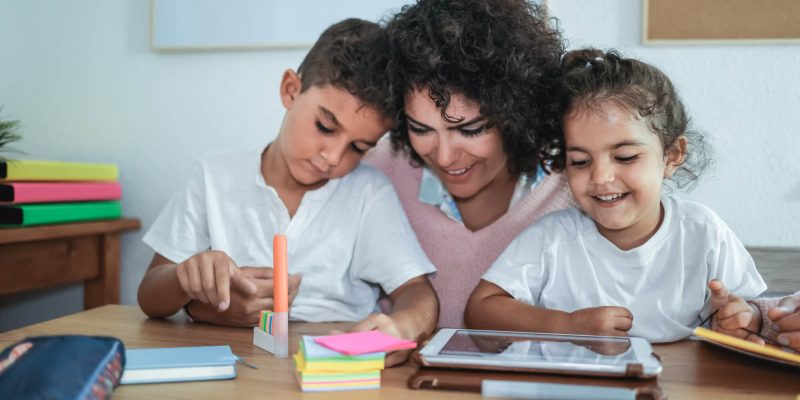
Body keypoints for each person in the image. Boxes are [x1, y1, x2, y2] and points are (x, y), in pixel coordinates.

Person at [137, 19, 438, 365]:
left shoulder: (368, 193)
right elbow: (149, 296)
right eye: (325, 126)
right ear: (290, 90)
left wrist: (401, 328)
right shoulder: (213, 175)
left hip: (331, 364)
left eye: (358, 147)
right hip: (232, 360)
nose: (333, 157)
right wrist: (186, 278)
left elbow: (418, 293)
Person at [464, 49, 771, 343]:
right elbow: (480, 310)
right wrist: (567, 325)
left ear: (672, 155)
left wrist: (743, 318)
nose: (600, 177)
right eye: (581, 162)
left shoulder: (703, 232)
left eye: (624, 157)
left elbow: (753, 311)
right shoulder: (552, 238)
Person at [365, 0, 573, 328]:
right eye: (420, 129)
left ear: (516, 115)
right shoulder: (380, 170)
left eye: (471, 129)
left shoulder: (575, 181)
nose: (444, 157)